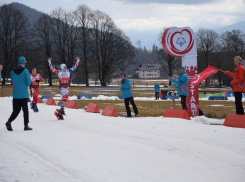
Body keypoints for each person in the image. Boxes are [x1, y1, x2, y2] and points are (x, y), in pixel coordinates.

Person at [5, 57, 32, 131]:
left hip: (15, 93)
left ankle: (9, 121)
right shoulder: (25, 71)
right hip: (23, 94)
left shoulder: (13, 71)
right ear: (24, 63)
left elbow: (12, 81)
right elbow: (29, 83)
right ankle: (26, 125)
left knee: (16, 110)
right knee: (25, 110)